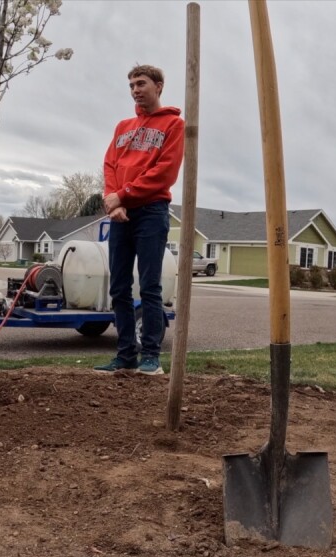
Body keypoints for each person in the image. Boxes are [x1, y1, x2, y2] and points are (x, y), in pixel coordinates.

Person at [94, 64, 185, 376]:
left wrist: (124, 195)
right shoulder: (123, 127)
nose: (135, 89)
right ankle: (125, 356)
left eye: (141, 83)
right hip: (120, 214)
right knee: (118, 287)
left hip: (151, 212)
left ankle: (150, 357)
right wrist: (113, 201)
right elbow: (110, 164)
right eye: (132, 84)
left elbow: (165, 172)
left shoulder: (173, 124)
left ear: (158, 86)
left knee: (149, 286)